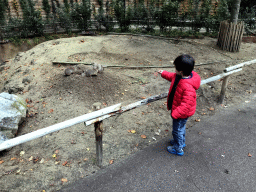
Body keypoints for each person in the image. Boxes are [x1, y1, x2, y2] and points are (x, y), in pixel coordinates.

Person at [158, 54, 201, 156]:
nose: (174, 70)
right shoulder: (180, 76)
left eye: (176, 68)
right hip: (178, 110)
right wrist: (163, 73)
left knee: (177, 130)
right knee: (180, 129)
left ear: (181, 71)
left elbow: (186, 105)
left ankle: (178, 148)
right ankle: (181, 142)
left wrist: (175, 113)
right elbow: (171, 76)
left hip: (180, 113)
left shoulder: (187, 87)